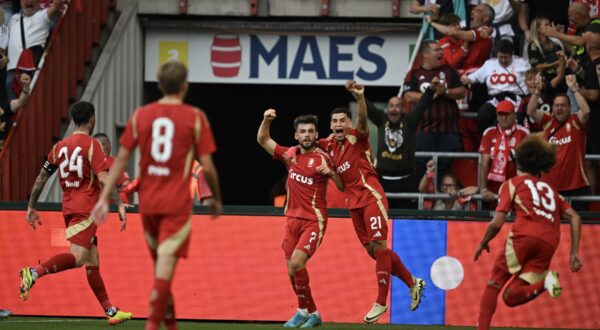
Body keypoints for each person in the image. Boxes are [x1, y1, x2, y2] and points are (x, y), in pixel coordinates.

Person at [91, 61, 222, 330]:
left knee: (163, 274)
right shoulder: (195, 116)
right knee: (163, 276)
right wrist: (217, 198)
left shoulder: (141, 115)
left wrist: (104, 199)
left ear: (159, 86)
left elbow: (120, 161)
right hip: (175, 206)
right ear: (185, 86)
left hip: (149, 205)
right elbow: (207, 166)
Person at [318, 82, 426, 324]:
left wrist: (360, 98)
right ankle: (413, 283)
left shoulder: (358, 138)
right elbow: (341, 185)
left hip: (371, 198)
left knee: (379, 246)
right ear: (330, 125)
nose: (338, 125)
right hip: (353, 203)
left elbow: (364, 121)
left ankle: (380, 302)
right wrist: (328, 171)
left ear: (349, 123)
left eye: (342, 121)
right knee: (374, 251)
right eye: (334, 121)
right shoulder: (330, 148)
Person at [19, 101, 132, 325]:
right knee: (79, 258)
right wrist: (119, 203)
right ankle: (33, 272)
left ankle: (110, 312)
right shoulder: (93, 146)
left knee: (92, 261)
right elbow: (102, 178)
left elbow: (42, 178)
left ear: (73, 120)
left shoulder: (59, 146)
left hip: (69, 208)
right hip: (86, 210)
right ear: (92, 119)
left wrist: (31, 205)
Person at [473, 134, 583, 330]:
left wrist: (483, 241)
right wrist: (574, 252)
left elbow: (497, 222)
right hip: (549, 243)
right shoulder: (551, 190)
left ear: (519, 161)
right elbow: (575, 217)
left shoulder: (512, 183)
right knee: (510, 297)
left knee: (493, 284)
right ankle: (545, 283)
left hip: (524, 236)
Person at [257, 110, 343, 328]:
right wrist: (267, 120)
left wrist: (332, 174)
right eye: (303, 131)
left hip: (314, 220)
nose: (307, 135)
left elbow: (343, 187)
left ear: (316, 135)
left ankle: (303, 311)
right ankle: (310, 312)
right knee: (291, 271)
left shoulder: (324, 158)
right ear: (296, 135)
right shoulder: (290, 155)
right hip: (291, 220)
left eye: (311, 131)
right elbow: (262, 139)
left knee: (297, 263)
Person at [360, 78, 435, 209]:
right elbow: (368, 108)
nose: (394, 109)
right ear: (387, 108)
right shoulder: (381, 119)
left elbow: (422, 104)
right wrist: (358, 94)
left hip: (406, 182)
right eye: (391, 106)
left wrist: (431, 89)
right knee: (382, 218)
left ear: (403, 109)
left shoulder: (409, 121)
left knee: (405, 219)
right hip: (382, 180)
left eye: (398, 106)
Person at [403, 40, 466, 185]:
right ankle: (417, 202)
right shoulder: (414, 74)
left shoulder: (449, 71)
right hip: (423, 130)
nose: (441, 53)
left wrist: (445, 91)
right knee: (421, 165)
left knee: (445, 167)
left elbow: (462, 91)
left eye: (440, 50)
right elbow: (408, 96)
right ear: (425, 54)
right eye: (436, 50)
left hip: (448, 130)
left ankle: (441, 203)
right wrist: (431, 94)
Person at [527, 74, 591, 211]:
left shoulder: (576, 121)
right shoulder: (547, 122)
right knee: (549, 228)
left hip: (576, 186)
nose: (559, 108)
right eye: (556, 106)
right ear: (552, 108)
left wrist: (574, 90)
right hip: (550, 186)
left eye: (563, 105)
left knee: (579, 226)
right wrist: (537, 91)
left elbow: (586, 111)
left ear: (569, 108)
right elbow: (531, 111)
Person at [462, 39, 531, 133]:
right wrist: (467, 79)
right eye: (500, 57)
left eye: (506, 57)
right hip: (495, 99)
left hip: (515, 98)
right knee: (483, 114)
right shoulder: (490, 64)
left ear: (512, 54)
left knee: (499, 121)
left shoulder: (522, 63)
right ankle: (487, 141)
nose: (503, 60)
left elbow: (531, 78)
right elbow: (475, 76)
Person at [6, 0, 63, 100]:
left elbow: (56, 6)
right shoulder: (13, 19)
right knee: (15, 110)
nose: (29, 1)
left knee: (29, 105)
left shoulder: (42, 16)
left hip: (28, 71)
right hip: (11, 72)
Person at [478, 100, 530, 203]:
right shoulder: (489, 133)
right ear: (496, 116)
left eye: (507, 114)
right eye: (500, 114)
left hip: (516, 189)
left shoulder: (524, 133)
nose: (504, 118)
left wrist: (523, 190)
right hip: (493, 191)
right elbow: (484, 163)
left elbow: (528, 166)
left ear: (514, 115)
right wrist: (484, 189)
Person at [93, 133, 133, 205]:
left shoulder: (88, 163)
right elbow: (128, 186)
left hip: (91, 210)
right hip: (114, 210)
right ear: (108, 147)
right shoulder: (114, 162)